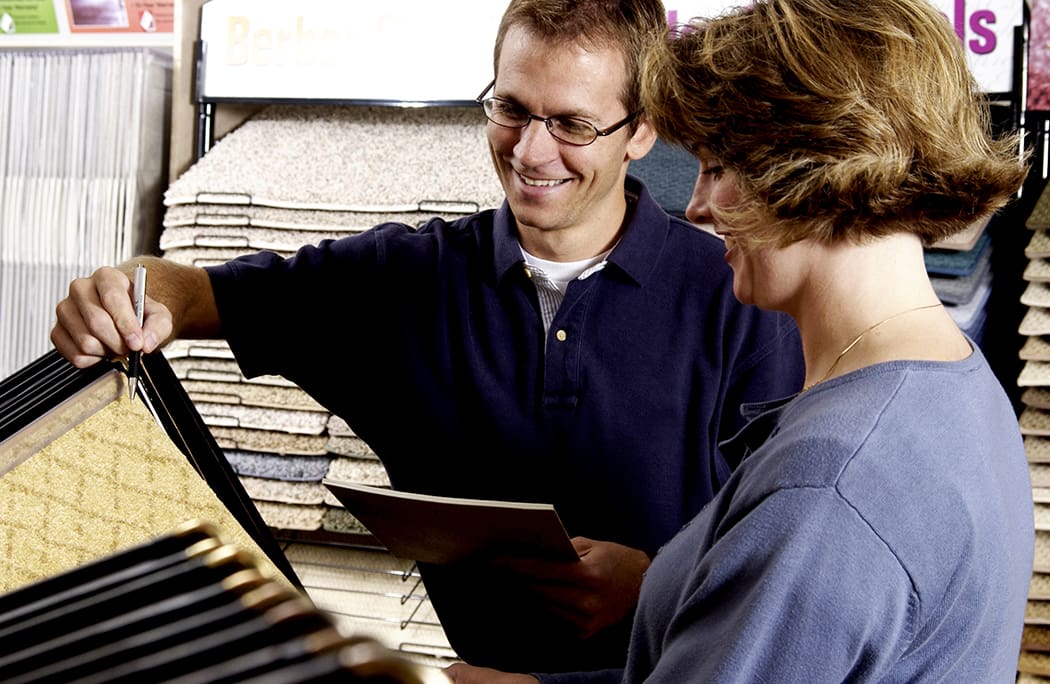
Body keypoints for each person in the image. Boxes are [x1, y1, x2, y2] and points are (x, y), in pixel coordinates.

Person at [50, 0, 805, 677]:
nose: (531, 153)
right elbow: (199, 293)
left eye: (572, 124)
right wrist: (129, 295)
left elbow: (791, 564)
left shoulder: (738, 295)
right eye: (510, 109)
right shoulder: (403, 279)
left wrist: (657, 584)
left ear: (641, 131)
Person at [444, 0, 1036, 682]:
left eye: (719, 166)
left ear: (817, 166)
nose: (696, 204)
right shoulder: (952, 382)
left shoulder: (828, 487)